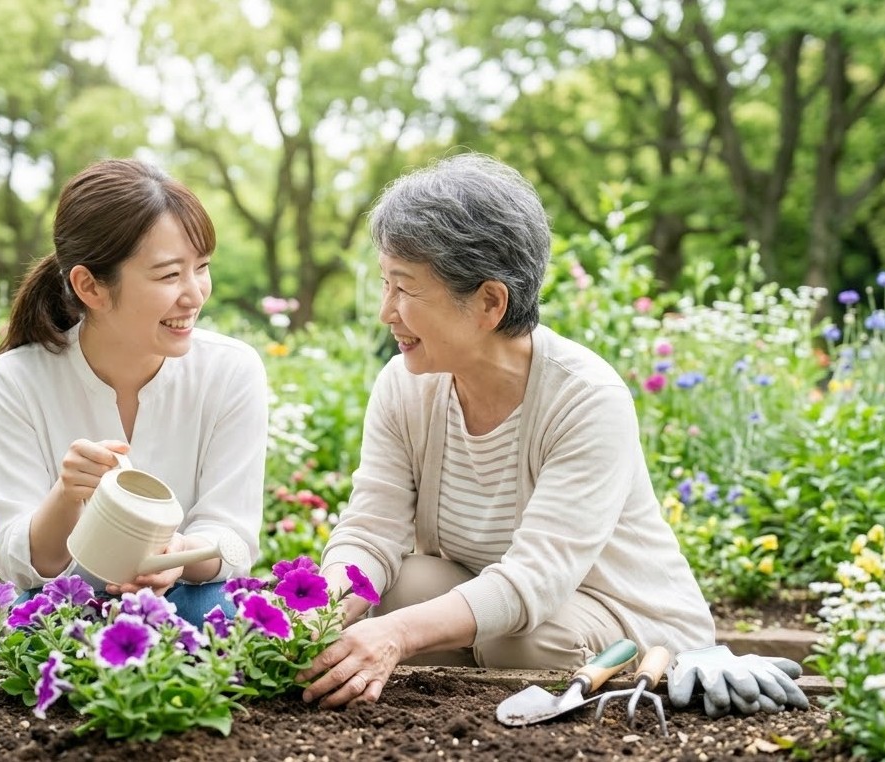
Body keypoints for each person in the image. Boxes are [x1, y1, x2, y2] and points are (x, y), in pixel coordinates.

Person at [298, 154, 716, 708]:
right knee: (393, 590)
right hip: (503, 612)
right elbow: (371, 531)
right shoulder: (404, 385)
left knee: (518, 638)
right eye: (385, 284)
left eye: (404, 288)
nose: (386, 312)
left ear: (490, 302)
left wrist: (398, 635)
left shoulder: (586, 398)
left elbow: (535, 580)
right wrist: (317, 613)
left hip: (625, 622)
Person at [0, 158, 267, 627]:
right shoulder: (19, 378)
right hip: (65, 609)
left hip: (186, 598)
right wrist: (67, 495)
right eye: (169, 275)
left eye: (201, 268)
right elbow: (22, 564)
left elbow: (232, 537)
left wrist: (176, 556)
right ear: (90, 286)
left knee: (217, 610)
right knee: (27, 623)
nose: (194, 294)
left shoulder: (232, 371)